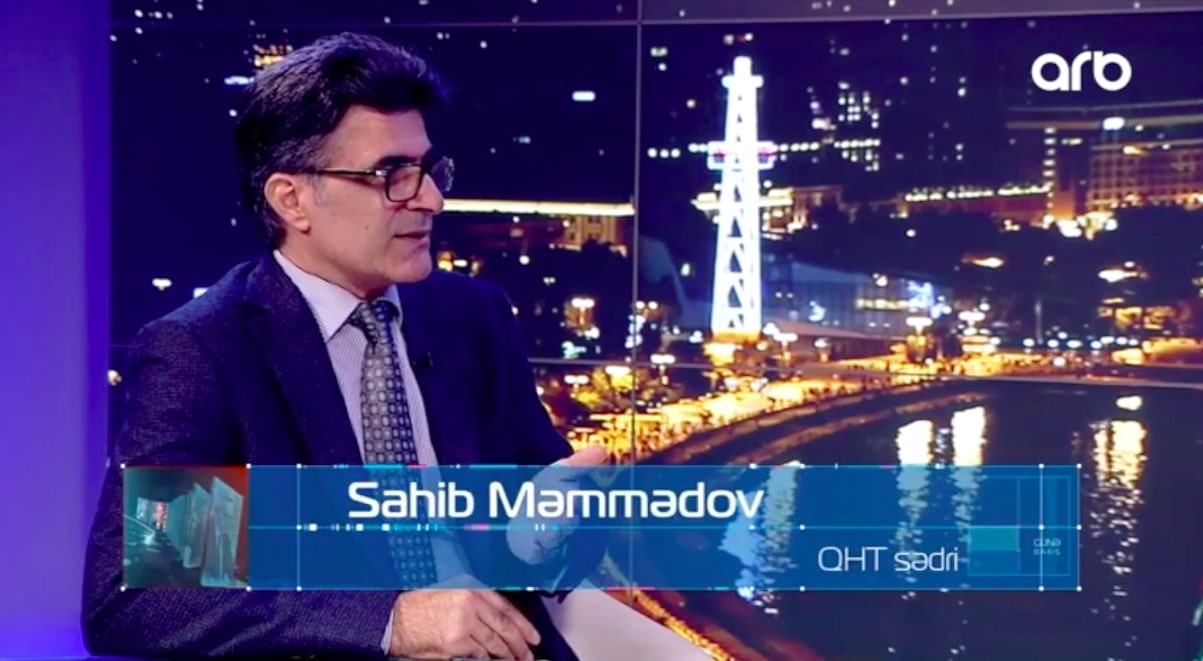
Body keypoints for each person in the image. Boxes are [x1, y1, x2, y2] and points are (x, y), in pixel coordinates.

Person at [83, 32, 607, 661]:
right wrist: (392, 622)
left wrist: (543, 534)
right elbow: (140, 599)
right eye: (391, 175)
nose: (431, 199)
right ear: (292, 200)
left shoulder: (470, 317)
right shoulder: (211, 354)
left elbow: (537, 526)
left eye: (429, 170)